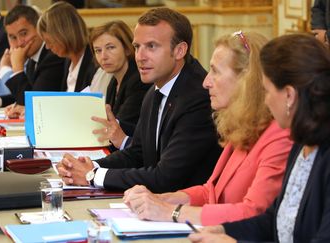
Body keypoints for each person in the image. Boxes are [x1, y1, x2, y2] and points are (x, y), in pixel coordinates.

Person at [123, 32, 293, 226]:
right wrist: (164, 199)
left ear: (247, 79)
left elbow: (253, 213)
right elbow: (210, 192)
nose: (206, 82)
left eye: (215, 71)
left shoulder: (279, 136)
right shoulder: (244, 125)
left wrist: (171, 212)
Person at [57, 7, 222, 193]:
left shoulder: (198, 96)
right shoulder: (155, 89)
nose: (140, 57)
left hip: (187, 212)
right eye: (137, 47)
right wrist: (86, 166)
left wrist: (93, 175)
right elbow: (138, 153)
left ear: (179, 50)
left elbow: (166, 177)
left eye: (151, 46)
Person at [188, 34, 330, 243]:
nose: (264, 100)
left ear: (289, 96)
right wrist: (224, 230)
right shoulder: (301, 146)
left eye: (266, 91)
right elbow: (271, 221)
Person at [0, 5, 65, 110]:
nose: (19, 42)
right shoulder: (33, 58)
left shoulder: (52, 56)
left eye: (24, 33)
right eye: (13, 37)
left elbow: (34, 104)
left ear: (38, 28)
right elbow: (29, 92)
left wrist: (17, 67)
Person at [89, 20, 151, 150]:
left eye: (110, 48)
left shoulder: (139, 81)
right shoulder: (113, 81)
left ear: (127, 48)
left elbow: (120, 128)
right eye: (98, 50)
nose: (103, 56)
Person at [38, 1, 97, 93]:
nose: (47, 47)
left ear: (63, 35)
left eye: (49, 41)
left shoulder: (94, 61)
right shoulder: (67, 61)